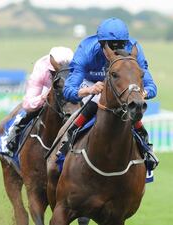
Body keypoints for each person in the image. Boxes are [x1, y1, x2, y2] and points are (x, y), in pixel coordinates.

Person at [62, 17, 158, 169]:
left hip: (122, 86)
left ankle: (145, 149)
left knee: (132, 110)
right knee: (94, 103)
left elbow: (152, 87)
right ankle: (67, 144)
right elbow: (68, 90)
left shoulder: (134, 50)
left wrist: (141, 93)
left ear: (126, 44)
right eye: (110, 47)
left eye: (120, 46)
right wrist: (88, 90)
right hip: (93, 84)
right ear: (101, 45)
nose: (115, 51)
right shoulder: (86, 50)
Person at [1, 47, 74, 156]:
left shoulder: (75, 66)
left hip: (68, 89)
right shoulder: (42, 69)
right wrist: (44, 97)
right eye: (54, 72)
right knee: (30, 110)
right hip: (46, 90)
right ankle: (11, 139)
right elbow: (28, 103)